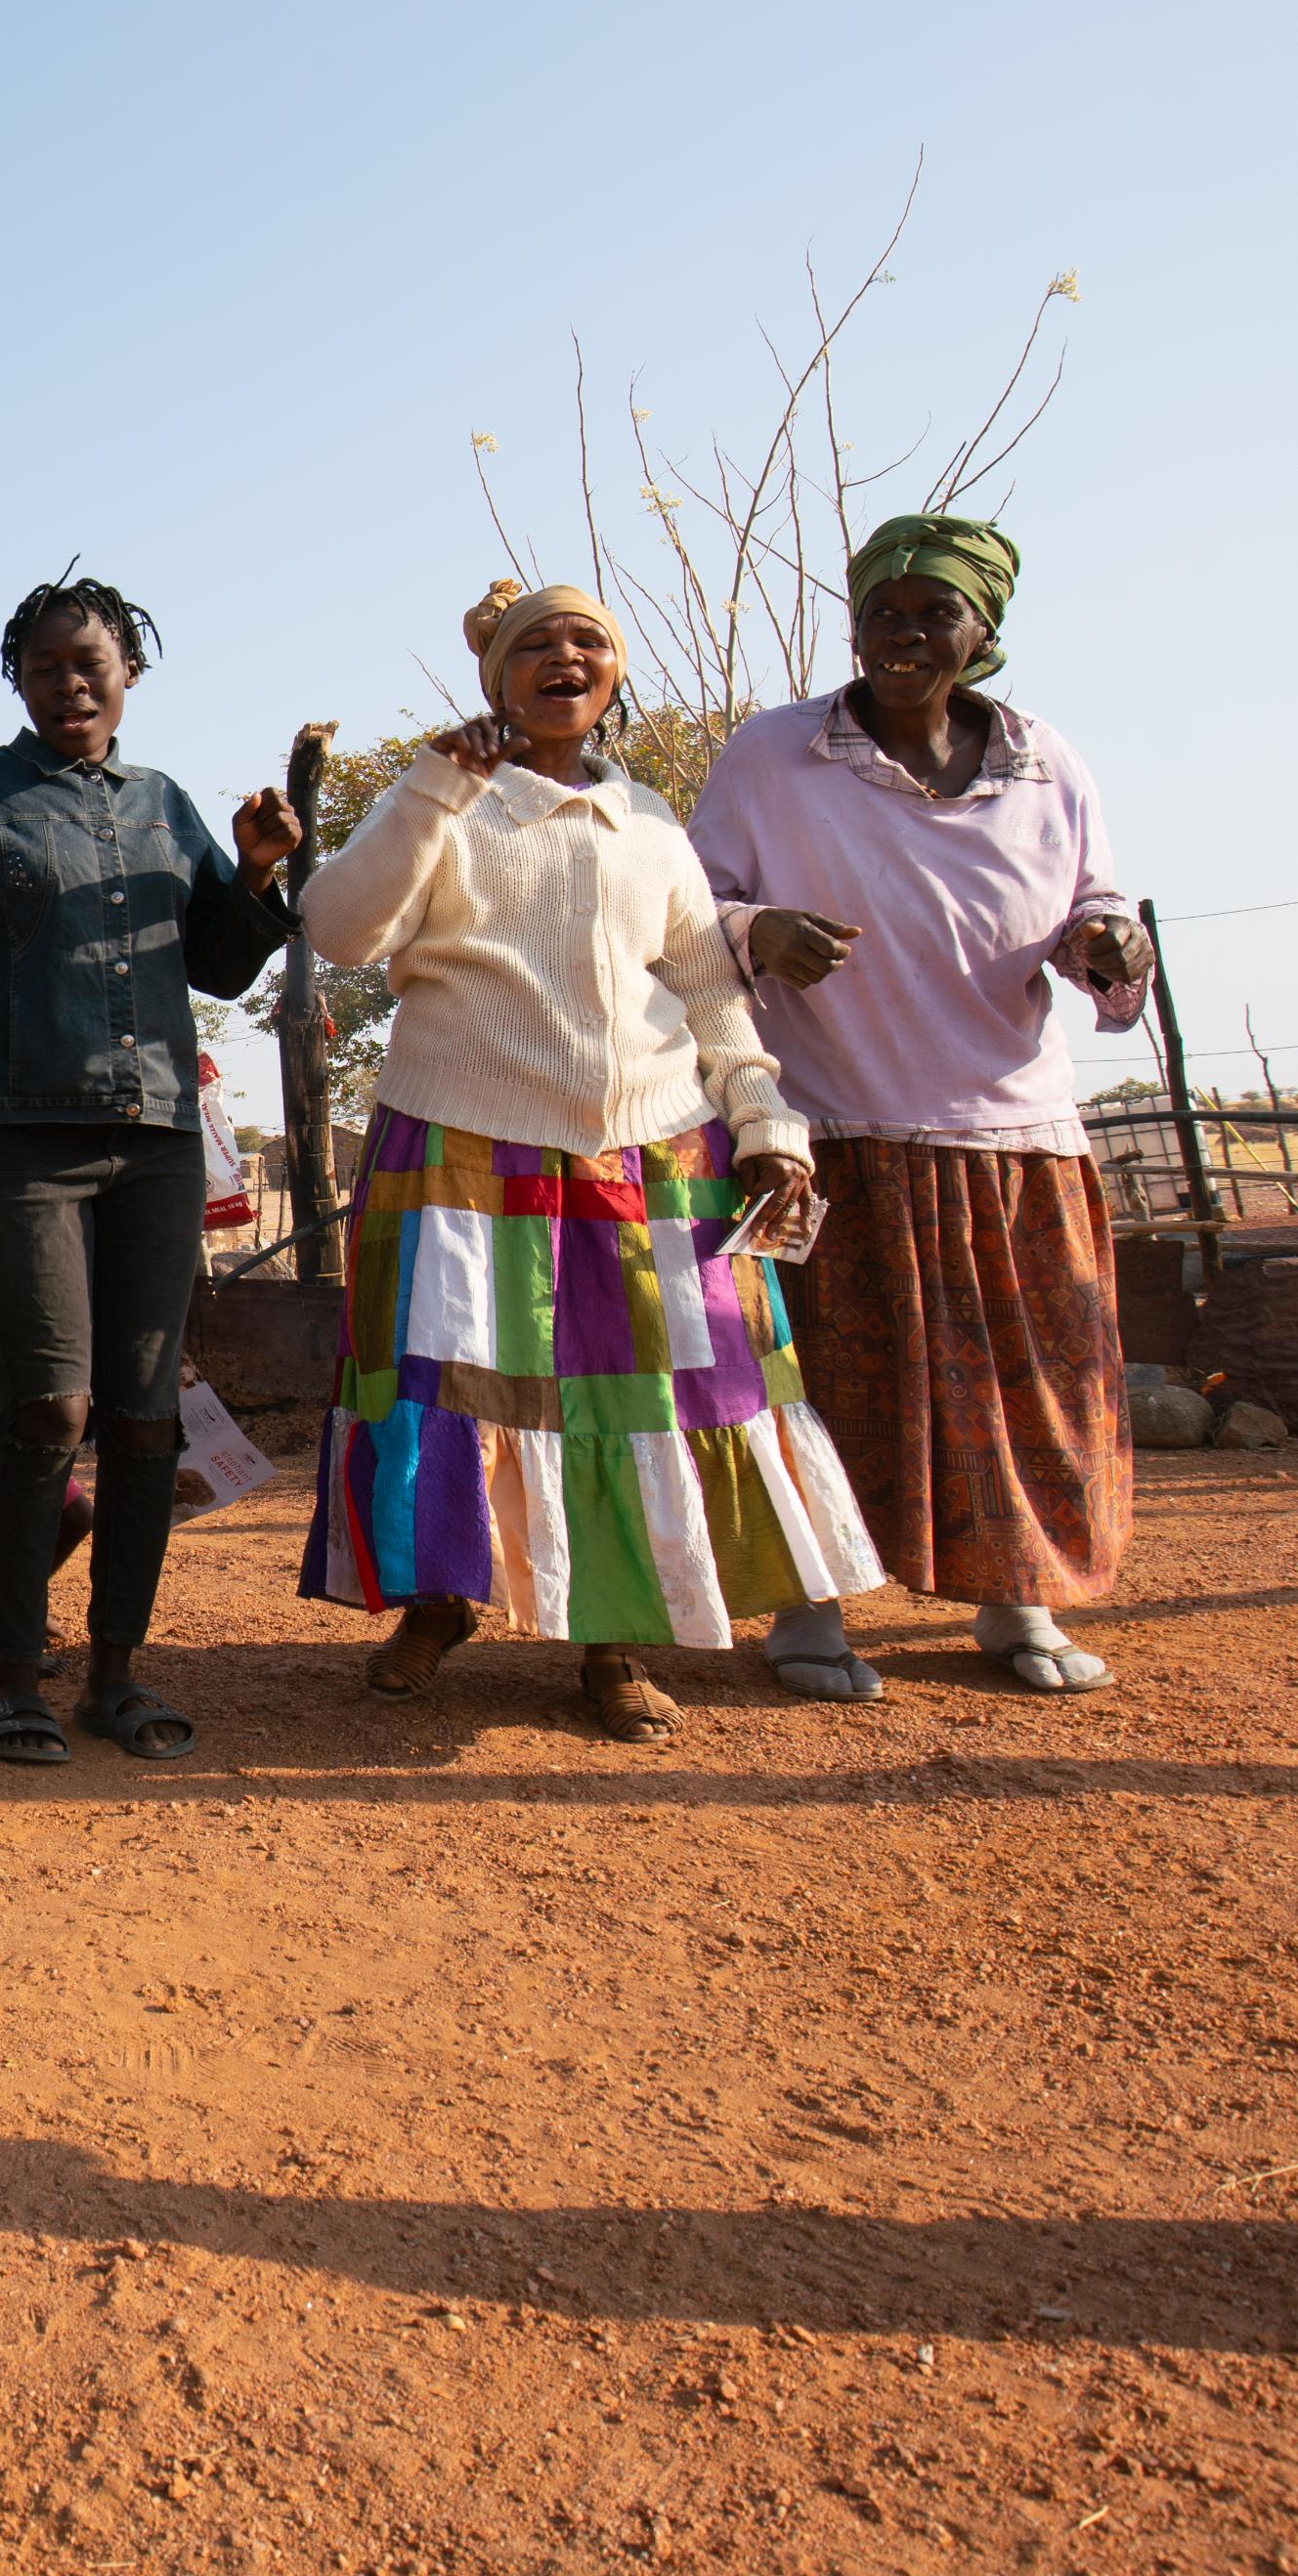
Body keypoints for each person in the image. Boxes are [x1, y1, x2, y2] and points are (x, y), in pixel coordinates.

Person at [296, 580, 882, 1742]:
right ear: (498, 678)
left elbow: (712, 988)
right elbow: (339, 928)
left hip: (653, 1148)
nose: (566, 657)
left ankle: (613, 1641)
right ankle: (442, 1598)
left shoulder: (654, 822)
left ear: (612, 676)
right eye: (538, 645)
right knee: (448, 1384)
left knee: (644, 1394)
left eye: (590, 642)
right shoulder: (449, 801)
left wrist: (765, 1124)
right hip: (459, 1136)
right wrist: (430, 782)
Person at [685, 516, 1150, 1697]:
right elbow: (687, 916)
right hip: (830, 1129)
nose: (903, 632)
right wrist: (757, 933)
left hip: (1017, 1133)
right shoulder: (774, 755)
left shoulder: (1047, 761)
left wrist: (1105, 938)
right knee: (828, 1382)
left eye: (934, 611)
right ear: (854, 622)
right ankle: (809, 1609)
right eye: (884, 609)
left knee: (1025, 1385)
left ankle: (1019, 1602)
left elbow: (1093, 903)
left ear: (983, 630)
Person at [0, 574, 299, 1771]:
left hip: (153, 1141)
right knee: (52, 1404)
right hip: (20, 1140)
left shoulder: (166, 805)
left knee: (145, 1419)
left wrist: (251, 875)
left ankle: (116, 1670)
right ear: (19, 682)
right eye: (44, 666)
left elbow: (217, 968)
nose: (69, 682)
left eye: (89, 661)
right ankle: (14, 1677)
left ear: (130, 674)